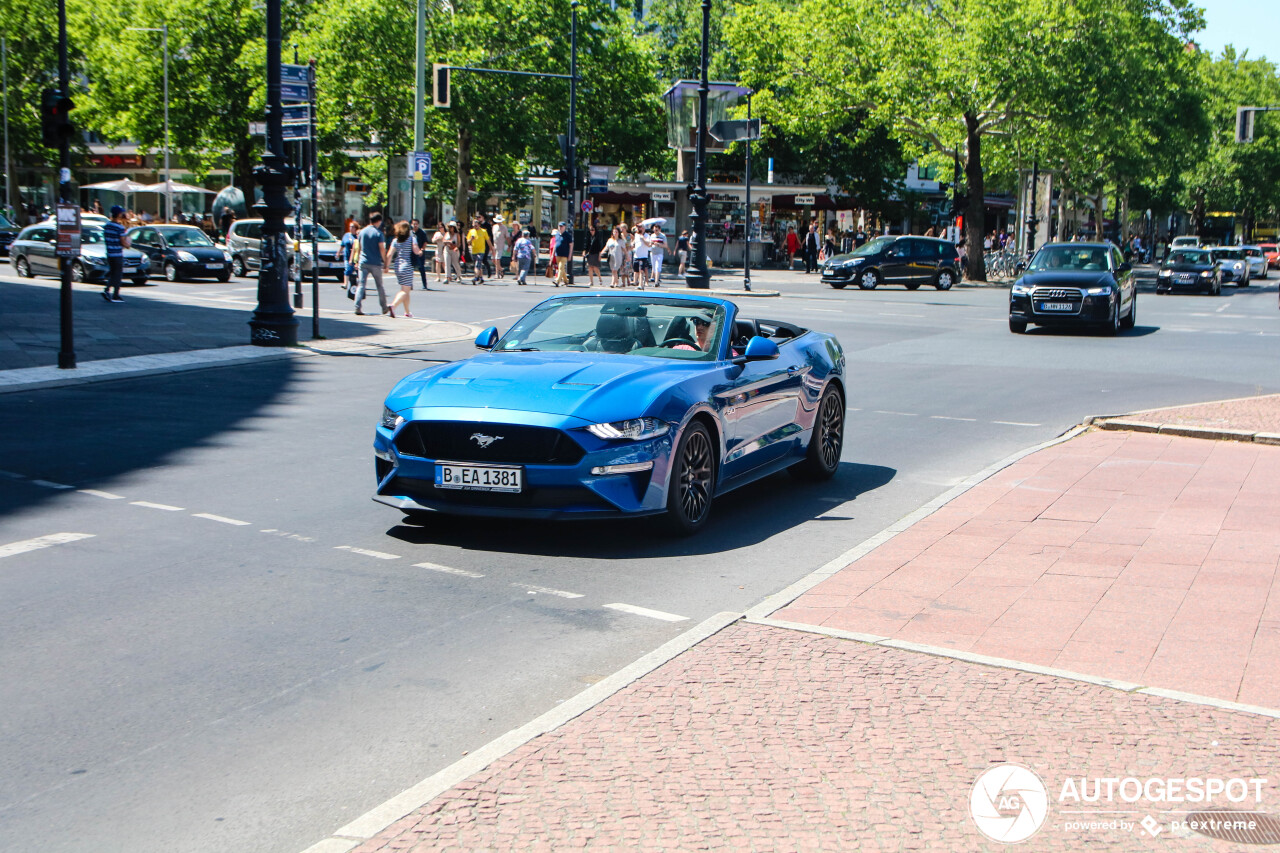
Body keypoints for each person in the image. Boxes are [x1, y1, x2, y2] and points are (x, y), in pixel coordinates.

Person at [354, 212, 390, 316]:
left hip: (363, 261)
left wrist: (357, 260)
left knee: (361, 285)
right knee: (379, 286)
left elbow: (359, 247)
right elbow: (382, 249)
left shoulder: (362, 232)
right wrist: (386, 262)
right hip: (375, 263)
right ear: (378, 221)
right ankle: (384, 307)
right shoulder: (378, 233)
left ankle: (357, 306)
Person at [388, 220, 423, 318]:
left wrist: (386, 266)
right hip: (407, 265)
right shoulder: (412, 239)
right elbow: (416, 250)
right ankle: (393, 306)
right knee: (405, 291)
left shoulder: (396, 240)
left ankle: (407, 311)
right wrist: (420, 252)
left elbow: (390, 254)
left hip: (397, 265)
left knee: (405, 289)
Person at [101, 205, 132, 303]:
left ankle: (109, 291)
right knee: (117, 274)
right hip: (117, 253)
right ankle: (115, 294)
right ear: (119, 214)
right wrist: (127, 245)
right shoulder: (119, 227)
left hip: (109, 253)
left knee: (113, 272)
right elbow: (122, 241)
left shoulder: (107, 226)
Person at [467, 217, 492, 284]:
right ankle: (481, 277)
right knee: (479, 265)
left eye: (477, 224)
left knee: (477, 264)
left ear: (479, 224)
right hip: (474, 250)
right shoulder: (471, 231)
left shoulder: (483, 231)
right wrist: (471, 239)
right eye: (474, 225)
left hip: (481, 250)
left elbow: (488, 240)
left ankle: (475, 277)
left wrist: (491, 248)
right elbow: (468, 241)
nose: (476, 226)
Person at [339, 221, 359, 296]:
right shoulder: (346, 235)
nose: (351, 228)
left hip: (357, 257)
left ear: (356, 228)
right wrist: (338, 252)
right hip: (347, 256)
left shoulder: (358, 236)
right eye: (350, 226)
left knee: (358, 272)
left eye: (352, 227)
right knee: (348, 269)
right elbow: (342, 245)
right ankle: (345, 283)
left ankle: (359, 285)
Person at [410, 218, 430, 289]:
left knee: (421, 268)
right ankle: (410, 284)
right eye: (413, 224)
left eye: (416, 224)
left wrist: (422, 249)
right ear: (411, 224)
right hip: (411, 253)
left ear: (418, 224)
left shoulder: (422, 232)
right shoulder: (410, 233)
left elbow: (425, 242)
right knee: (410, 269)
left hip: (419, 253)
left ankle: (424, 285)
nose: (415, 225)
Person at [584, 222, 606, 287]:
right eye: (590, 230)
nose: (591, 231)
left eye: (593, 230)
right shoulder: (588, 236)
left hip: (596, 253)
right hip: (590, 253)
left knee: (595, 268)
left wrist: (600, 255)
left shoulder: (598, 237)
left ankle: (600, 278)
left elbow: (600, 247)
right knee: (590, 267)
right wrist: (584, 251)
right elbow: (586, 245)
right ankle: (591, 281)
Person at [552, 221, 574, 286]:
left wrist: (570, 255)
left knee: (561, 267)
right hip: (557, 254)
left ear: (564, 227)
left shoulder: (567, 235)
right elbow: (555, 244)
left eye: (562, 226)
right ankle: (566, 280)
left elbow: (571, 245)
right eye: (559, 226)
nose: (560, 227)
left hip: (564, 254)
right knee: (561, 268)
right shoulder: (557, 234)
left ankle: (557, 281)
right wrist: (553, 254)